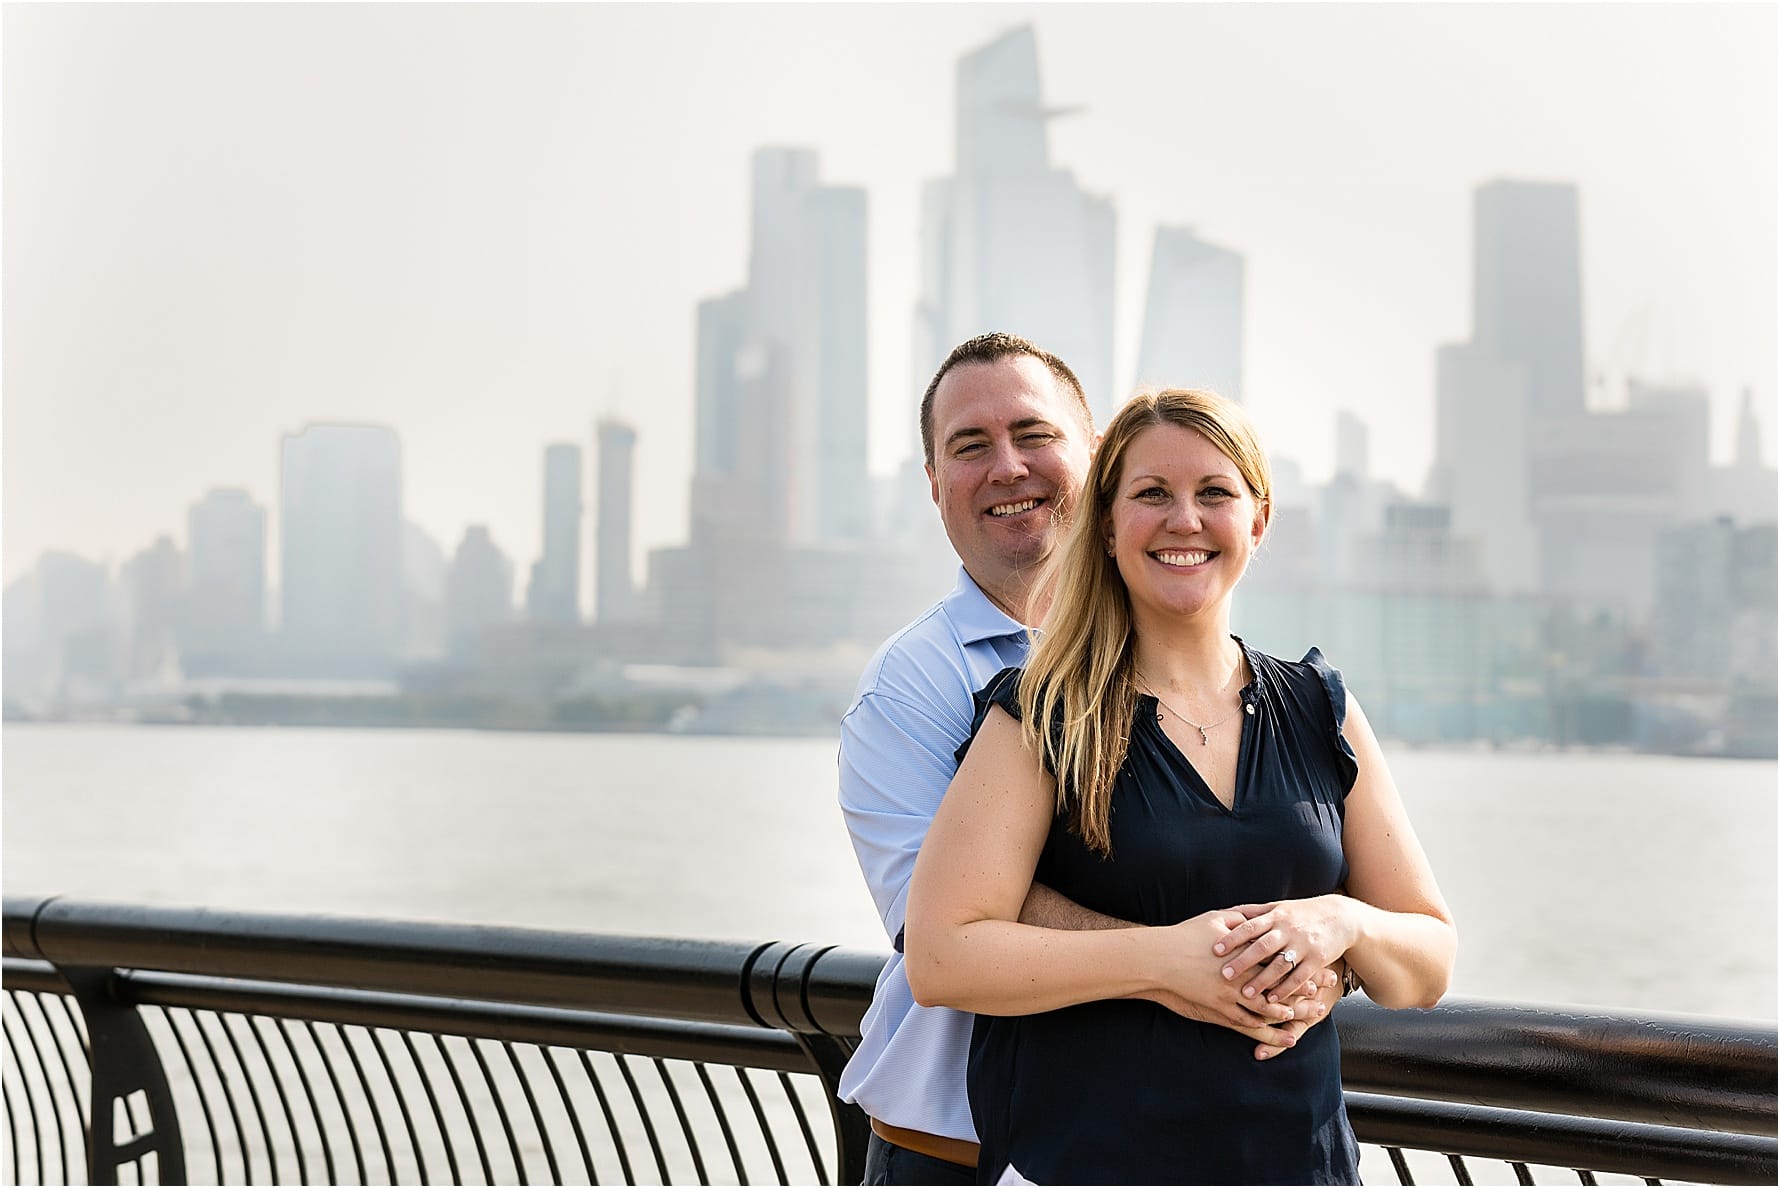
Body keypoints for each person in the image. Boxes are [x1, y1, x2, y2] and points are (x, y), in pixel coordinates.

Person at [904, 388, 1458, 1185]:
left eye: (1215, 493)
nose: (1184, 520)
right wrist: (1165, 962)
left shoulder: (1319, 708)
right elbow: (943, 955)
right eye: (1152, 494)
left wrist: (1339, 925)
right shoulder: (1042, 714)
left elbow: (1430, 959)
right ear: (1106, 523)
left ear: (1258, 522)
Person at [838, 340, 1344, 1186]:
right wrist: (1213, 964)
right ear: (933, 483)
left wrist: (1330, 953)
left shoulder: (1231, 684)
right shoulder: (911, 688)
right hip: (957, 1151)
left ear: (1097, 455)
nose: (1008, 467)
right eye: (970, 446)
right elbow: (943, 919)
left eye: (1034, 435)